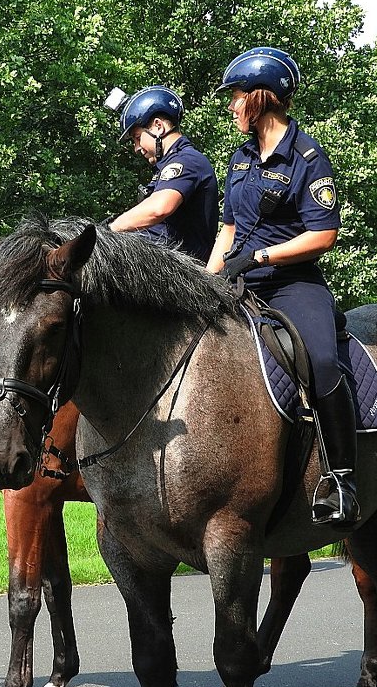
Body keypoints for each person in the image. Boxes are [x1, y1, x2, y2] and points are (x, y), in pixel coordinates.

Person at [207, 47, 359, 527]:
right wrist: (205, 280)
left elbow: (324, 235)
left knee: (320, 358)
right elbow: (227, 230)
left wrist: (263, 255)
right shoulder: (241, 156)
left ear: (260, 98)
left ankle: (341, 479)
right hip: (239, 279)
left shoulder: (309, 157)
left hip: (293, 283)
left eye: (235, 96)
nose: (231, 106)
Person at [105, 85, 219, 262]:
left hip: (182, 276)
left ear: (158, 126)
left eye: (137, 138)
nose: (136, 148)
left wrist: (109, 230)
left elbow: (158, 209)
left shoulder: (187, 161)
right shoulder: (167, 166)